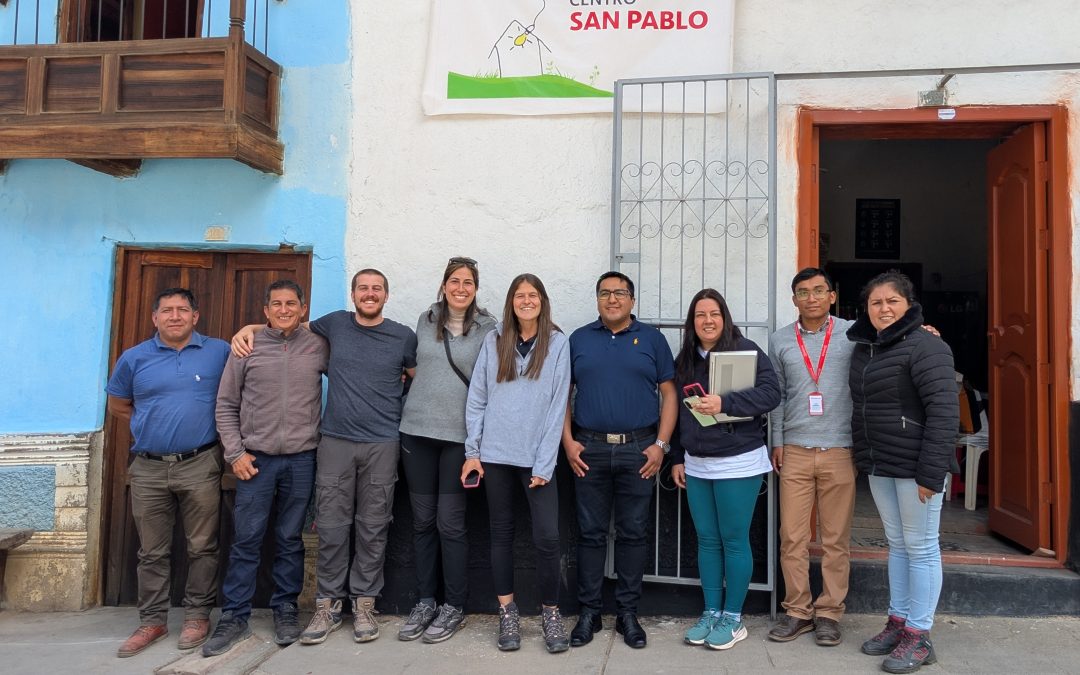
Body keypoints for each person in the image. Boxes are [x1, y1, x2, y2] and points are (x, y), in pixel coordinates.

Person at [231, 268, 417, 646]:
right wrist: (250, 328)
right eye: (363, 288)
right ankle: (328, 605)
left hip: (382, 443)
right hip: (334, 442)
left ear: (386, 294)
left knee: (374, 525)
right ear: (353, 294)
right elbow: (285, 323)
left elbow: (419, 378)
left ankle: (364, 603)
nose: (369, 293)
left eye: (376, 288)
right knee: (331, 526)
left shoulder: (403, 336)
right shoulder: (333, 325)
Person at [202, 280, 329, 657]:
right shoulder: (246, 348)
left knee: (290, 539)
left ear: (303, 309)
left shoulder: (318, 345)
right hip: (254, 461)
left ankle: (285, 608)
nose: (284, 309)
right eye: (277, 304)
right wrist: (235, 454)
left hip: (302, 459)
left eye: (291, 303)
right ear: (266, 310)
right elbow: (225, 405)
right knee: (247, 540)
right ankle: (235, 615)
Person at [106, 288, 231, 658]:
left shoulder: (219, 351)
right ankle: (152, 620)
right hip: (147, 467)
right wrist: (153, 423)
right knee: (152, 552)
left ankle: (196, 615)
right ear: (154, 318)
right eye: (167, 311)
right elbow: (118, 405)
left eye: (182, 310)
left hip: (200, 463)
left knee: (202, 546)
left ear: (196, 316)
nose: (174, 316)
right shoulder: (133, 358)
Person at [847, 271, 958, 674]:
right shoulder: (865, 348)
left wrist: (932, 474)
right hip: (881, 464)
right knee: (897, 544)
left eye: (892, 301)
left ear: (909, 305)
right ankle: (898, 622)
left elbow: (945, 413)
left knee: (923, 546)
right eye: (876, 303)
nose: (884, 309)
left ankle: (920, 634)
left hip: (917, 469)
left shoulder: (928, 346)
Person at [562, 271, 678, 649]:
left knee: (633, 533)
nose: (613, 299)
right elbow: (562, 394)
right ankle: (589, 613)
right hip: (589, 449)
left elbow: (670, 395)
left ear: (632, 300)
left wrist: (661, 445)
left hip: (639, 450)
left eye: (620, 293)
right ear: (597, 299)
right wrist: (568, 442)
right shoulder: (578, 339)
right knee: (590, 534)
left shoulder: (653, 339)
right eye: (605, 293)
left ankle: (628, 614)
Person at [461, 273, 572, 653]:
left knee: (547, 538)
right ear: (511, 302)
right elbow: (477, 399)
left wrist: (544, 463)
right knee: (501, 536)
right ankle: (507, 612)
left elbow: (558, 405)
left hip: (536, 459)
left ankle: (550, 613)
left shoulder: (557, 343)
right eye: (520, 295)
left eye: (533, 295)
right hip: (495, 455)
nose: (526, 301)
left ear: (542, 300)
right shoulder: (494, 341)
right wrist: (472, 452)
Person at [670, 289, 780, 651]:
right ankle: (710, 611)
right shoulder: (685, 358)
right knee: (707, 540)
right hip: (698, 463)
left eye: (714, 313)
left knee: (733, 539)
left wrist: (725, 401)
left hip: (738, 460)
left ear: (725, 317)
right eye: (700, 315)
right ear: (692, 322)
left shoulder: (745, 349)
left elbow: (771, 393)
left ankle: (733, 618)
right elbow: (677, 412)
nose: (708, 321)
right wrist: (677, 457)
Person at [396, 256, 496, 643]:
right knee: (422, 522)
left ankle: (454, 605)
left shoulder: (489, 328)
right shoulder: (425, 320)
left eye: (468, 282)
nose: (460, 288)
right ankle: (425, 601)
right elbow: (415, 368)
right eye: (454, 280)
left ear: (475, 288)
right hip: (416, 433)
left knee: (450, 524)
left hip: (461, 438)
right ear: (444, 284)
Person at [767, 268, 857, 647]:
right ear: (794, 300)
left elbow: (895, 336)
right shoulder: (780, 340)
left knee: (836, 539)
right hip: (797, 451)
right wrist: (777, 439)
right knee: (793, 536)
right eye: (803, 292)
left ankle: (830, 614)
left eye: (819, 291)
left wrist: (925, 333)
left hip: (840, 448)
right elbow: (778, 394)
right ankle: (798, 611)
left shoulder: (854, 333)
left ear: (832, 296)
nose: (812, 298)